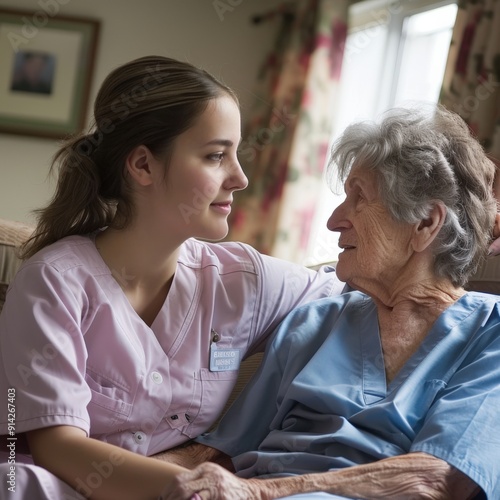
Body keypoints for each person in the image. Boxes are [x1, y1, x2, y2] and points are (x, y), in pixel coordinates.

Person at [0, 56, 344, 499]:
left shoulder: (243, 280)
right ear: (142, 165)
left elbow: (356, 294)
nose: (240, 177)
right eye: (216, 155)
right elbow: (58, 449)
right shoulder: (53, 283)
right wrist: (200, 489)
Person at [159, 106, 500, 500]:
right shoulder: (314, 323)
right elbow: (217, 457)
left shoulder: (489, 337)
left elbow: (438, 480)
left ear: (425, 223)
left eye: (359, 197)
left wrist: (262, 493)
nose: (335, 220)